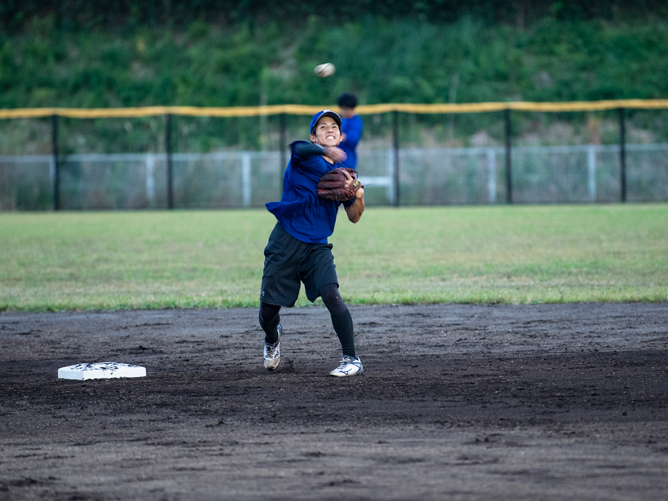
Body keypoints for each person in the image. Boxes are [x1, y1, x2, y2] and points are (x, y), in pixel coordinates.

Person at [259, 110, 366, 377]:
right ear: (314, 136)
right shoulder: (304, 158)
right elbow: (298, 147)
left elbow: (353, 218)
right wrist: (321, 151)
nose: (329, 129)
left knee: (332, 293)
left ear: (341, 137)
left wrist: (359, 196)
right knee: (268, 310)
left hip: (317, 246)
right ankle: (272, 338)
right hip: (286, 240)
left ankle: (351, 358)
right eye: (322, 127)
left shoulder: (343, 176)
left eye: (334, 127)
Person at [337, 92, 363, 170]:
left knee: (347, 181)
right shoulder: (342, 120)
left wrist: (337, 135)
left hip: (347, 160)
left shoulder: (356, 121)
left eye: (346, 109)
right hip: (335, 160)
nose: (344, 111)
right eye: (342, 109)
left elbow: (353, 138)